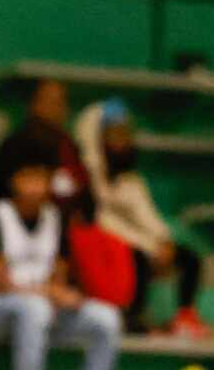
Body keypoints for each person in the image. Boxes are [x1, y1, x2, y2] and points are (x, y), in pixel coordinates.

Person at [0, 153, 121, 370]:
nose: (34, 186)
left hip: (44, 310)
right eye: (27, 178)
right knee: (35, 308)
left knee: (106, 318)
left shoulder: (56, 218)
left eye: (41, 179)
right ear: (13, 181)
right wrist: (48, 293)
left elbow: (59, 274)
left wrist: (62, 295)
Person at [76, 99, 206, 335]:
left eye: (126, 133)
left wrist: (163, 241)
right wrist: (147, 246)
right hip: (107, 244)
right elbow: (103, 220)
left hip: (140, 242)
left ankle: (185, 315)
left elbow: (148, 216)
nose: (122, 140)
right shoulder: (89, 176)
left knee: (189, 257)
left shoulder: (131, 179)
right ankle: (133, 317)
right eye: (115, 133)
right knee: (136, 257)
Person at [0, 77, 90, 217]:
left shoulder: (68, 144)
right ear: (34, 104)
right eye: (50, 101)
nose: (57, 108)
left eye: (61, 102)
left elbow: (83, 190)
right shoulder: (16, 145)